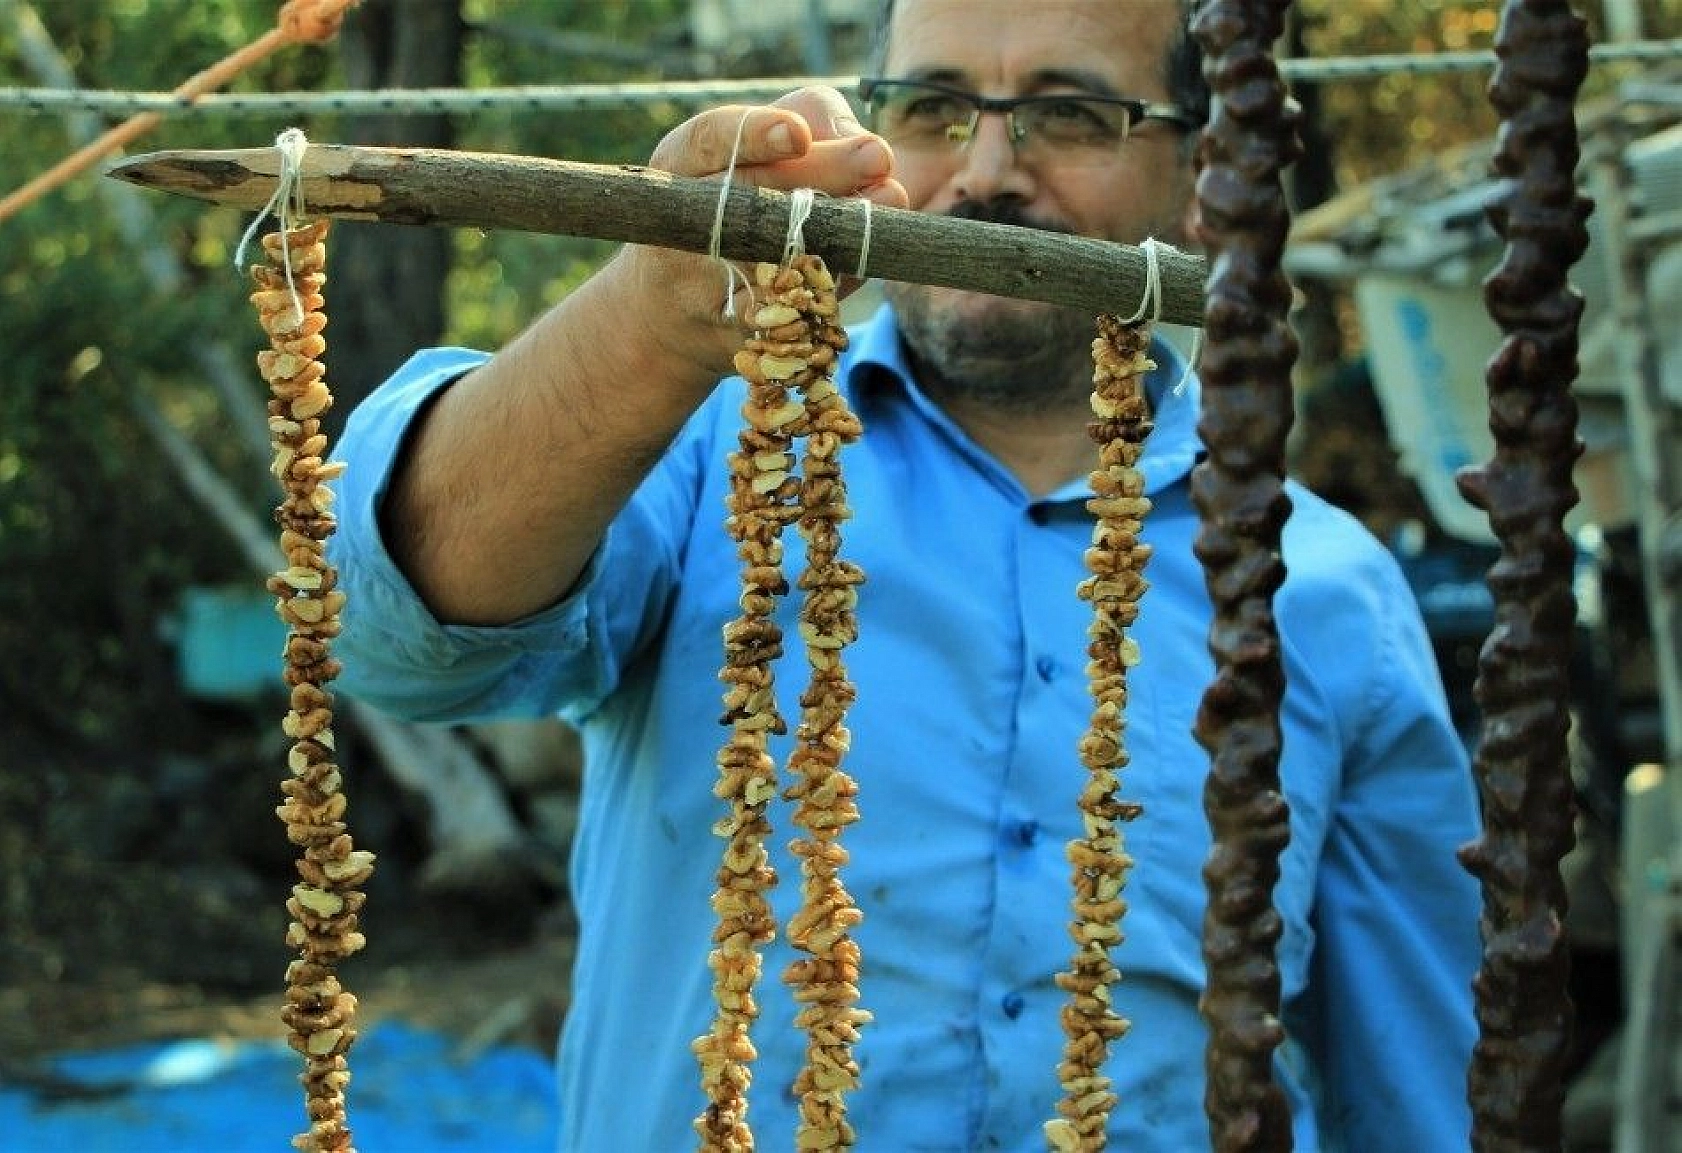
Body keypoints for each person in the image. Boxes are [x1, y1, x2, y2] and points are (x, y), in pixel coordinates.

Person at [327, 0, 1482, 1148]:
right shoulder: (698, 456)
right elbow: (391, 632)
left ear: (1198, 171)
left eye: (1069, 115)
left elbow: (1416, 1093)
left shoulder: (1328, 598)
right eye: (932, 109)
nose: (985, 174)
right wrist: (649, 319)